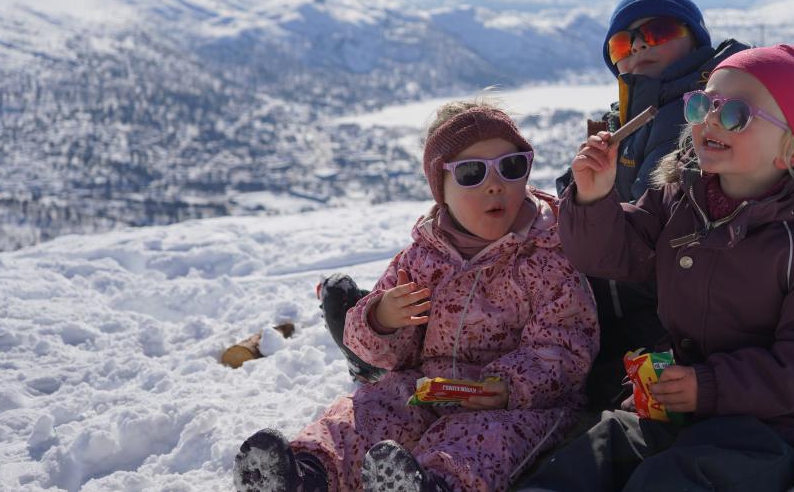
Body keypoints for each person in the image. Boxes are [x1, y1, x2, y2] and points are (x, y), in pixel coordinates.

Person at [523, 45, 794, 491]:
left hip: (780, 426)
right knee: (597, 452)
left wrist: (710, 386)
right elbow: (609, 255)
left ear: (790, 148)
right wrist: (594, 198)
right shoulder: (681, 197)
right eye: (702, 105)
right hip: (683, 402)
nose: (709, 121)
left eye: (735, 114)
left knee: (674, 476)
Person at [234, 99, 599, 492]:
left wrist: (510, 386)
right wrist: (382, 320)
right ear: (440, 188)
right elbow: (383, 354)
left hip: (519, 405)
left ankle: (433, 485)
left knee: (482, 440)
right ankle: (308, 473)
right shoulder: (423, 257)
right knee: (371, 408)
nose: (496, 184)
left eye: (511, 167)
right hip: (429, 386)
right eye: (472, 172)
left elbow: (565, 345)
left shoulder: (547, 254)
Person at [556, 0, 749, 409]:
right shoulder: (631, 114)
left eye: (658, 31)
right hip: (626, 291)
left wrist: (586, 203)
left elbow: (652, 217)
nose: (640, 45)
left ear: (695, 39)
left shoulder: (702, 112)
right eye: (624, 42)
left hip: (668, 309)